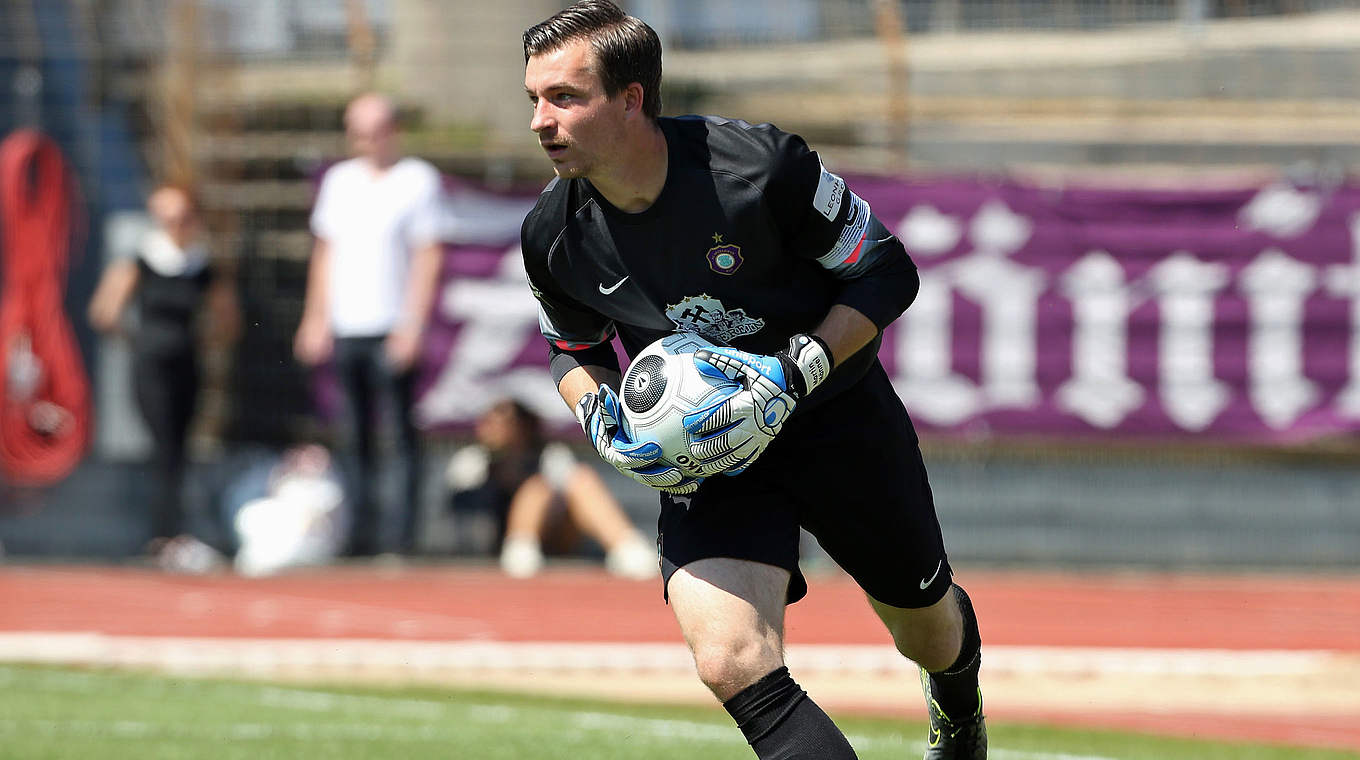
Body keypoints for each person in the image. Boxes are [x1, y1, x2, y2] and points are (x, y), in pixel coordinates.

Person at [518, 3, 985, 759]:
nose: (541, 120)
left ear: (631, 98)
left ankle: (959, 707)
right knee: (729, 658)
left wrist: (795, 373)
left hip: (835, 419)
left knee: (924, 627)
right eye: (534, 100)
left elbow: (885, 270)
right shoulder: (551, 233)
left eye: (564, 97)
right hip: (711, 452)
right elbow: (571, 345)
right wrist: (598, 415)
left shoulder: (757, 167)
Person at [294, 92, 443, 557]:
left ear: (393, 130)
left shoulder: (417, 180)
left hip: (392, 325)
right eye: (357, 132)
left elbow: (427, 256)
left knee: (399, 435)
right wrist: (315, 318)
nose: (366, 142)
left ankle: (400, 540)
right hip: (347, 326)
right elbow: (326, 252)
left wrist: (412, 325)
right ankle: (357, 537)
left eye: (374, 131)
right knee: (351, 434)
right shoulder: (339, 181)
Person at [88, 183, 239, 572]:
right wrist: (139, 341)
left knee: (181, 448)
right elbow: (104, 311)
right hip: (151, 365)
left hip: (187, 364)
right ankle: (162, 534)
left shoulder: (201, 264)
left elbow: (228, 319)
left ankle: (175, 534)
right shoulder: (141, 259)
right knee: (164, 448)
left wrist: (201, 341)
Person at [446, 398, 657, 579]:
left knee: (570, 480)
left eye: (506, 421)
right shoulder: (471, 461)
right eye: (490, 421)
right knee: (533, 490)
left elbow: (573, 488)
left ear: (523, 426)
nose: (495, 428)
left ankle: (626, 546)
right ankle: (519, 546)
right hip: (493, 539)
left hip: (552, 536)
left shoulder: (549, 456)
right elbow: (460, 510)